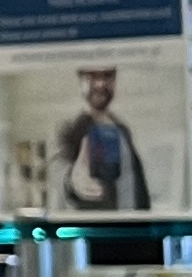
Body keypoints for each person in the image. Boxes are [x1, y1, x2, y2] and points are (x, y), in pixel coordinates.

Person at [54, 64, 149, 211]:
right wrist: (73, 181)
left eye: (107, 76)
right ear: (81, 81)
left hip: (133, 228)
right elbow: (60, 170)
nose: (100, 84)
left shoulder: (121, 128)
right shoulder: (72, 128)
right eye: (92, 76)